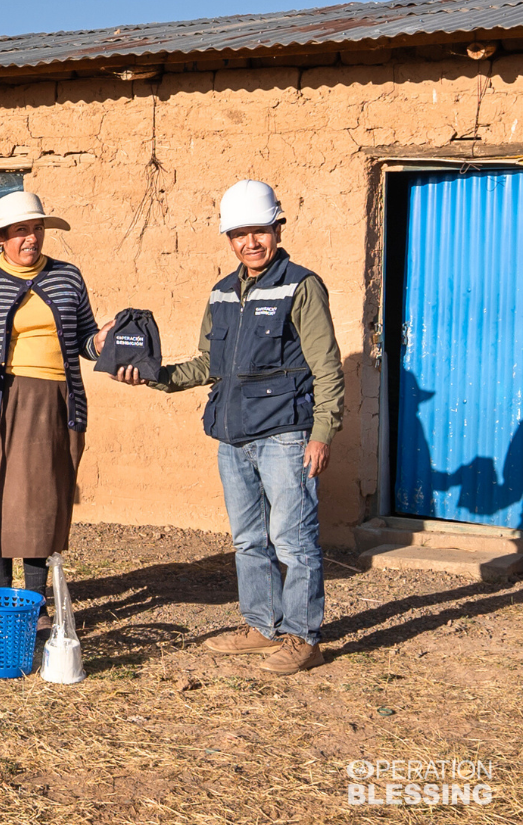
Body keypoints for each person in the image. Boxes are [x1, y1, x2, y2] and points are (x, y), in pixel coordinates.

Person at [110, 180, 344, 675]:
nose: (250, 243)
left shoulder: (300, 286)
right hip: (232, 436)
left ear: (277, 229)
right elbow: (206, 365)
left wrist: (322, 432)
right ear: (229, 239)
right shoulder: (220, 293)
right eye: (239, 234)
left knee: (293, 540)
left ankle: (304, 638)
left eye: (259, 231)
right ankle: (262, 626)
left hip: (286, 434)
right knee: (248, 539)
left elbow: (326, 367)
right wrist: (152, 376)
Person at [0, 191, 99, 631]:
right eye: (20, 231)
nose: (31, 238)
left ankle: (35, 603)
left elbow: (86, 340)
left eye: (37, 229)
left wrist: (103, 342)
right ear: (1, 238)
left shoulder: (68, 278)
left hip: (55, 403)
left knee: (41, 503)